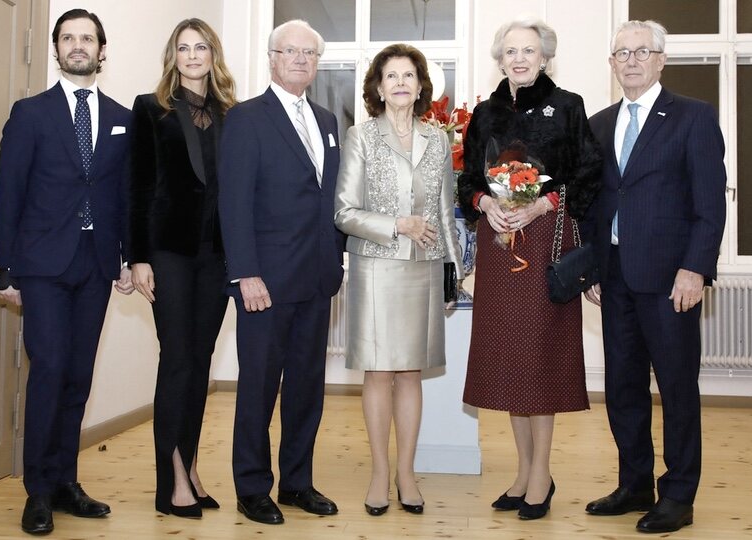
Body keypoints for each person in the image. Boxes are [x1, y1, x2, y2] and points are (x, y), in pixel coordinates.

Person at [0, 9, 133, 535]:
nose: (78, 46)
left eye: (87, 38)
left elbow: (125, 195)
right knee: (49, 371)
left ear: (102, 50)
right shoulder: (30, 113)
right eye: (68, 38)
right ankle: (37, 493)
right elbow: (9, 194)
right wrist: (4, 269)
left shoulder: (123, 116)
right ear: (55, 49)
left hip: (96, 267)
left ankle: (66, 482)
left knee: (78, 376)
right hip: (43, 266)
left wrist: (126, 256)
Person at [583, 20, 726, 534]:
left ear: (662, 59)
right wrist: (593, 267)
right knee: (622, 387)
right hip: (615, 277)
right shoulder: (599, 124)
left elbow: (710, 205)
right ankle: (635, 483)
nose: (632, 60)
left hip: (671, 281)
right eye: (621, 52)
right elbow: (592, 204)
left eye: (642, 51)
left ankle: (679, 495)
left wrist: (695, 269)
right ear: (613, 64)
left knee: (677, 388)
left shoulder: (693, 117)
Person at [457, 17, 601, 521]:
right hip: (499, 245)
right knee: (511, 363)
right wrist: (483, 203)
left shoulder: (568, 107)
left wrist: (543, 205)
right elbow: (467, 181)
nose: (519, 58)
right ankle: (522, 472)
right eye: (510, 51)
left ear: (544, 58)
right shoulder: (484, 112)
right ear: (500, 59)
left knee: (540, 360)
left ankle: (541, 474)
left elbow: (587, 174)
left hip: (544, 243)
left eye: (529, 51)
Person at [218, 19, 344, 526]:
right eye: (289, 51)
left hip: (316, 279)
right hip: (263, 283)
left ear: (317, 63)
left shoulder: (328, 120)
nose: (299, 60)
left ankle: (297, 482)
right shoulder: (247, 118)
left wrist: (335, 258)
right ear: (271, 58)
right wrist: (245, 273)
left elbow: (330, 200)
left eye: (308, 54)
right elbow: (234, 202)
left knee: (307, 388)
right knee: (258, 388)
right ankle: (252, 487)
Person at [334, 43, 463, 517]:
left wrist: (453, 275)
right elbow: (344, 211)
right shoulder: (361, 136)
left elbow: (447, 216)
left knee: (411, 372)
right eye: (392, 75)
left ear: (421, 84)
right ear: (378, 87)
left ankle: (406, 474)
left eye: (409, 75)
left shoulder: (439, 140)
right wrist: (398, 225)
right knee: (379, 371)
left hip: (426, 267)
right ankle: (377, 473)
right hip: (375, 265)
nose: (401, 83)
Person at [128, 19, 237, 519]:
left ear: (213, 56)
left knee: (200, 362)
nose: (193, 56)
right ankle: (170, 479)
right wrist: (138, 257)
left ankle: (190, 466)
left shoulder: (231, 114)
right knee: (176, 360)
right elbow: (139, 186)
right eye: (183, 48)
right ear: (173, 56)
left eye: (201, 48)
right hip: (168, 253)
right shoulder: (151, 108)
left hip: (215, 256)